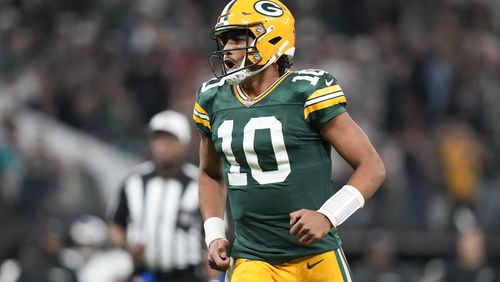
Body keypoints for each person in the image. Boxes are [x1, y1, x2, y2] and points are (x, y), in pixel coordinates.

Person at [192, 0, 386, 281]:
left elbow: (372, 166)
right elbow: (210, 173)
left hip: (316, 256)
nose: (226, 49)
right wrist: (214, 233)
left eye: (237, 38)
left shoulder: (306, 91)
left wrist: (328, 216)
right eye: (224, 40)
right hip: (253, 258)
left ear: (271, 37)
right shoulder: (213, 98)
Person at [109, 110, 205, 282]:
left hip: (187, 275)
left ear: (183, 144)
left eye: (169, 139)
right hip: (144, 273)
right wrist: (126, 246)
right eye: (158, 138)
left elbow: (217, 233)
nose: (162, 145)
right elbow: (116, 226)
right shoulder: (133, 181)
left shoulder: (200, 184)